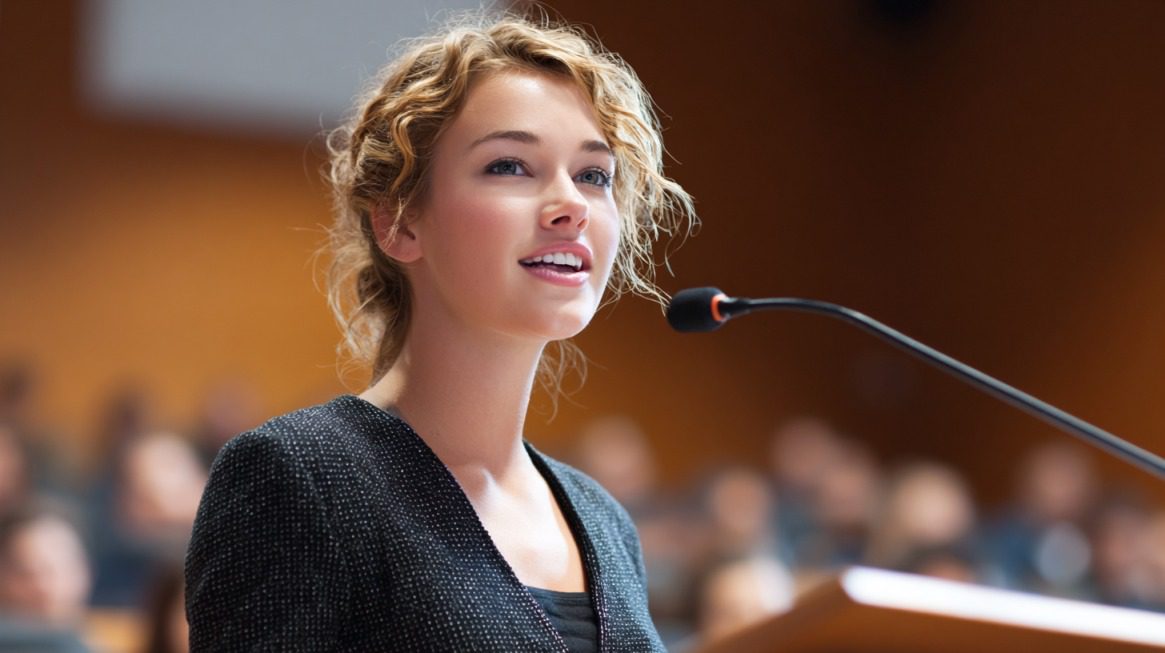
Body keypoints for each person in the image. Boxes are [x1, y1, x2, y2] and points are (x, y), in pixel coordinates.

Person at [185, 10, 695, 652]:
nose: (571, 204)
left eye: (594, 175)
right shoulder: (300, 477)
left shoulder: (604, 519)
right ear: (399, 223)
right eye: (510, 166)